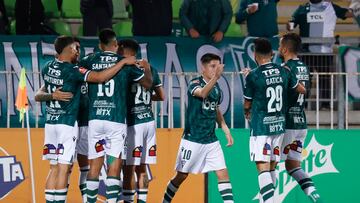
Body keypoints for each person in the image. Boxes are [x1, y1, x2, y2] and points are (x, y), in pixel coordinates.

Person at [39, 35, 135, 203]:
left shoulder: (48, 67)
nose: (79, 52)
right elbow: (100, 78)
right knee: (65, 168)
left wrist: (51, 95)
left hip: (62, 123)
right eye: (76, 48)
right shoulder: (77, 70)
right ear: (69, 49)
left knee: (66, 167)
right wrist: (121, 62)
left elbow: (39, 94)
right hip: (71, 123)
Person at [78, 29, 152, 203]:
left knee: (94, 165)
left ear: (99, 45)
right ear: (116, 44)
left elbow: (77, 73)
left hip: (95, 119)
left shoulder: (89, 60)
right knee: (114, 164)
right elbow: (147, 84)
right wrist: (146, 68)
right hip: (116, 119)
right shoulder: (124, 62)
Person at [162, 53, 234, 203]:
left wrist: (224, 127)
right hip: (192, 139)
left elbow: (215, 109)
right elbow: (202, 94)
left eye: (218, 66)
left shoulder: (217, 87)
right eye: (212, 66)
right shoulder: (194, 83)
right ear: (203, 68)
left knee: (222, 174)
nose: (216, 69)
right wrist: (215, 78)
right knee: (181, 176)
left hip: (211, 140)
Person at [243, 38, 305, 203]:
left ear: (255, 55)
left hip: (261, 126)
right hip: (279, 126)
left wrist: (247, 112)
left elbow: (247, 103)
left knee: (262, 167)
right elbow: (300, 89)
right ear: (271, 54)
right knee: (272, 167)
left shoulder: (254, 76)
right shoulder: (284, 70)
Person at [117, 39, 165, 203]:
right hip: (149, 122)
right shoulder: (150, 68)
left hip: (134, 123)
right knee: (142, 168)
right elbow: (161, 96)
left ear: (125, 51)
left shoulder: (125, 68)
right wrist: (145, 99)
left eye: (119, 49)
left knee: (129, 168)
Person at [278, 33, 322, 203]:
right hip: (301, 123)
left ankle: (267, 200)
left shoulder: (285, 68)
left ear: (285, 49)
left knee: (269, 164)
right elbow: (306, 92)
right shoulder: (304, 66)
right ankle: (313, 193)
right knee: (293, 166)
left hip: (287, 123)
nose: (278, 48)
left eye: (280, 45)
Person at [287, 0, 353, 53]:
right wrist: (290, 25)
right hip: (305, 53)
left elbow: (349, 14)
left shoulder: (331, 7)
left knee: (324, 69)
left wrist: (355, 5)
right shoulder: (301, 9)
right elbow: (291, 25)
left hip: (326, 52)